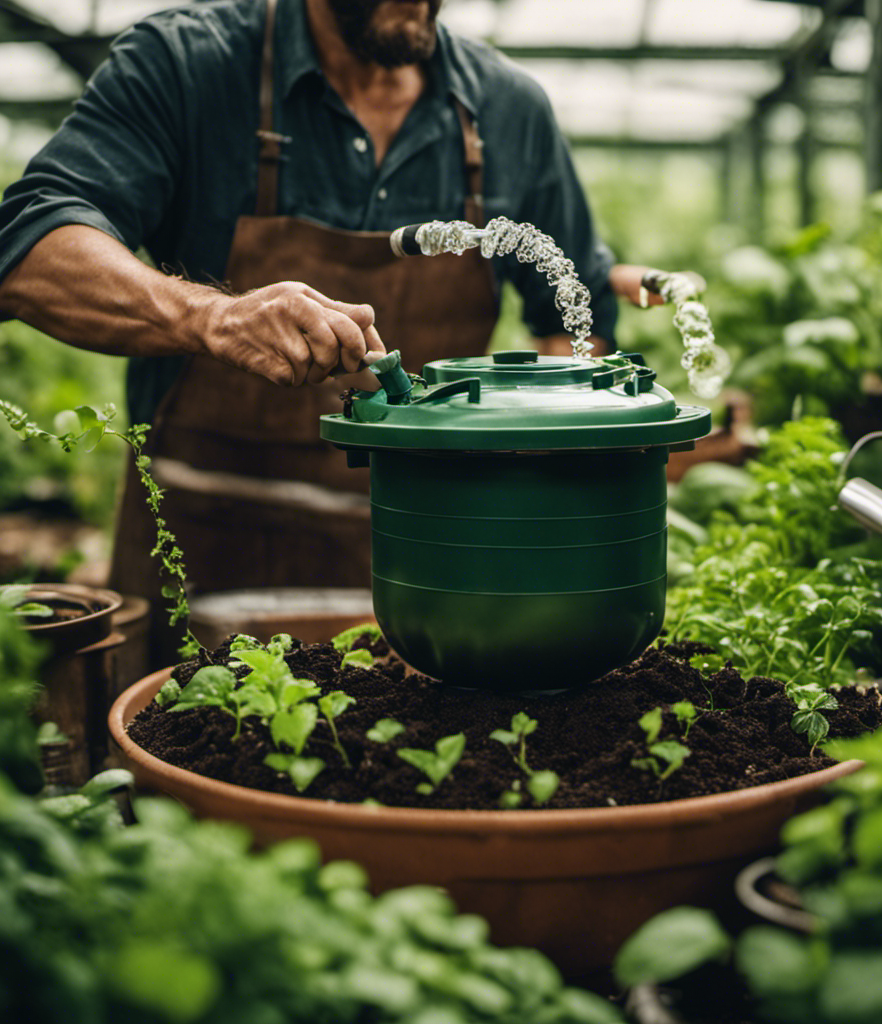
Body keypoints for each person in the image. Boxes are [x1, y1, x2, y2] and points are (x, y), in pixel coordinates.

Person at [0, 0, 635, 659]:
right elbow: (28, 252)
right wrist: (212, 316)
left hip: (425, 566)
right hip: (204, 552)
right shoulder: (191, 65)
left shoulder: (508, 110)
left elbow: (576, 326)